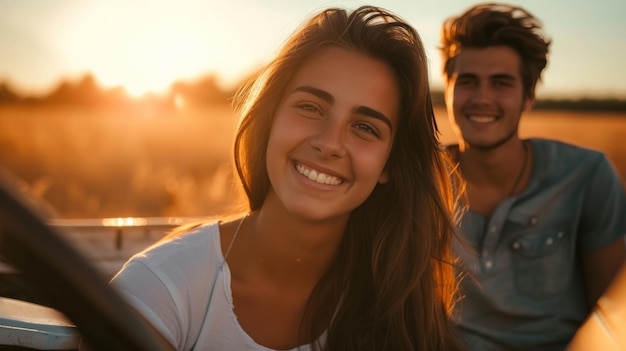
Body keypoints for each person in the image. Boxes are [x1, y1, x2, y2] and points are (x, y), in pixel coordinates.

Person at [108, 6, 465, 351]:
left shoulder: (401, 306)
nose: (328, 143)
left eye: (365, 127)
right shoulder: (159, 289)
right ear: (271, 117)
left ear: (389, 164)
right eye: (311, 107)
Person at [439, 3, 626, 350]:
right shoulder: (420, 181)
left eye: (501, 83)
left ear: (529, 95)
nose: (482, 98)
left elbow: (614, 316)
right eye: (467, 81)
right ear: (448, 89)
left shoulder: (585, 177)